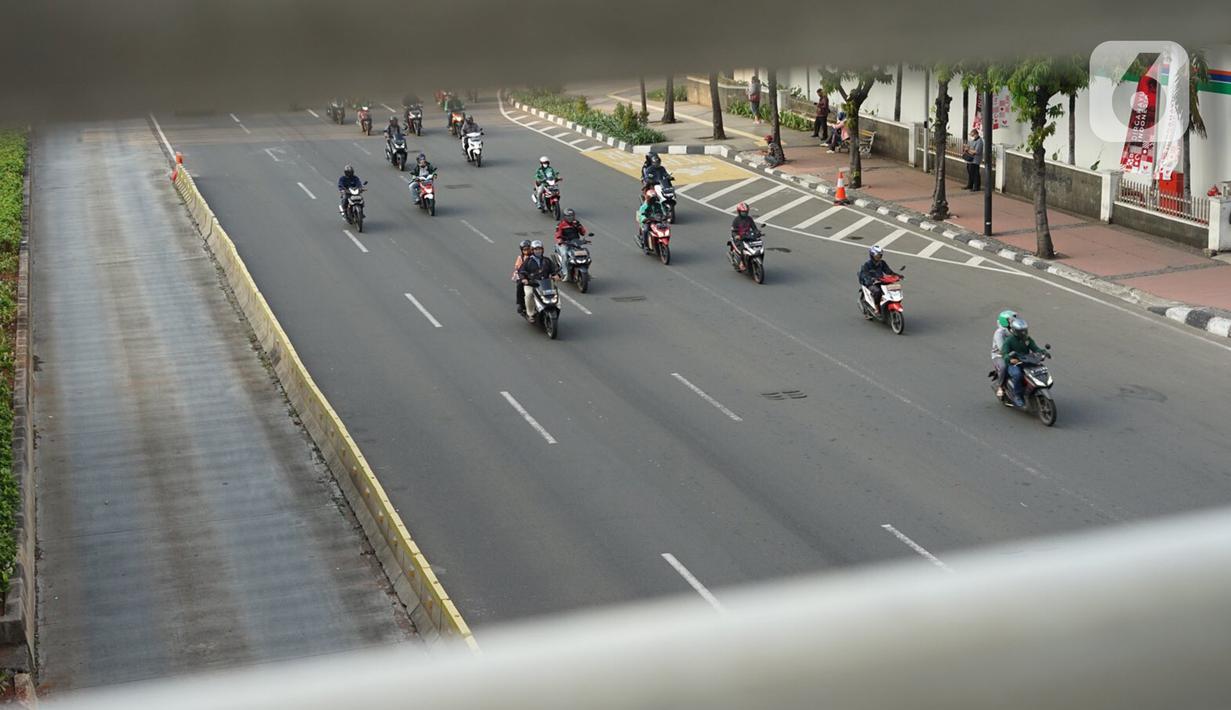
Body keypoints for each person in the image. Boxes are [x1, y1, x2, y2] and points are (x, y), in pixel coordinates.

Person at [1002, 317, 1047, 407]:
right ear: (1015, 331)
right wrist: (1010, 359)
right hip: (1014, 363)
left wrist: (1043, 352)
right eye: (1021, 331)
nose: (1024, 333)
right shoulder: (1009, 341)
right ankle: (1017, 395)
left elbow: (1035, 348)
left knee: (1040, 369)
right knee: (1018, 375)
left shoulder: (1027, 339)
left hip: (1026, 360)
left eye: (1024, 330)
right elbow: (1004, 353)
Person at [517, 240, 561, 321]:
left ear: (542, 249)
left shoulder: (547, 260)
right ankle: (530, 314)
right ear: (532, 250)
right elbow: (521, 271)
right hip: (532, 284)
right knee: (529, 295)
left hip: (546, 283)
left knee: (555, 293)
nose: (538, 251)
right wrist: (524, 279)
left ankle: (557, 307)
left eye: (539, 249)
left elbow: (554, 270)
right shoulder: (528, 261)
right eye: (536, 249)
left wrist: (556, 275)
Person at [858, 245, 899, 315]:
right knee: (877, 291)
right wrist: (871, 279)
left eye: (880, 255)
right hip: (871, 283)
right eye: (877, 256)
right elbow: (865, 275)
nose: (879, 257)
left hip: (881, 281)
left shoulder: (882, 263)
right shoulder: (867, 265)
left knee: (892, 288)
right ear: (872, 255)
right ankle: (877, 308)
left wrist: (896, 275)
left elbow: (888, 271)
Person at [991, 309, 1019, 398]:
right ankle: (1000, 386)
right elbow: (1003, 349)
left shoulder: (1015, 330)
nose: (1014, 321)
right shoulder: (999, 333)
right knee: (1003, 367)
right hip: (999, 355)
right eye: (1011, 320)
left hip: (1015, 353)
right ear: (1005, 322)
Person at [729, 202, 759, 271]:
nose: (744, 214)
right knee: (743, 249)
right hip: (740, 239)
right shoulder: (736, 220)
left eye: (745, 212)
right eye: (743, 212)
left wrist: (757, 232)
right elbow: (733, 231)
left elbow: (754, 228)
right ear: (739, 212)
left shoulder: (749, 219)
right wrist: (737, 236)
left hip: (748, 236)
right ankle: (742, 263)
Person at [513, 239, 533, 314]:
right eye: (525, 250)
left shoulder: (535, 257)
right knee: (519, 285)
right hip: (523, 276)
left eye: (529, 249)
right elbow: (518, 268)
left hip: (534, 276)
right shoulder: (520, 258)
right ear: (522, 251)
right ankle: (521, 304)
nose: (527, 251)